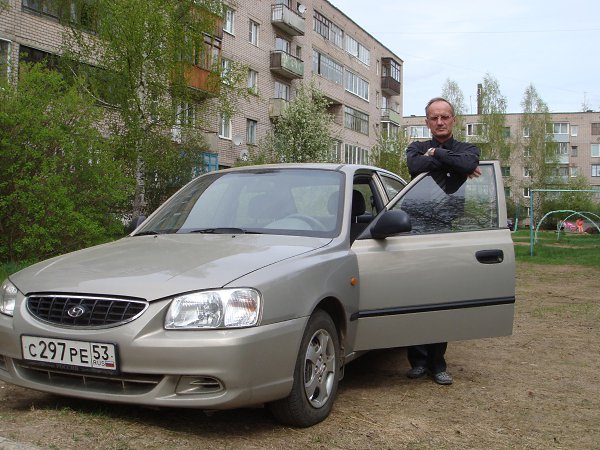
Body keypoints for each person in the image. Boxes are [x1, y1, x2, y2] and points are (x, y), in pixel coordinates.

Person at [404, 97, 481, 385]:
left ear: (453, 120)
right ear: (427, 122)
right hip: (415, 228)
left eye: (445, 117)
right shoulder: (415, 147)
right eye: (434, 118)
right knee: (415, 295)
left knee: (440, 297)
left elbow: (469, 162)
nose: (440, 122)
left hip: (446, 230)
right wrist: (452, 163)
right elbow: (414, 165)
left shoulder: (468, 149)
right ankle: (417, 361)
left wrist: (436, 154)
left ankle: (437, 364)